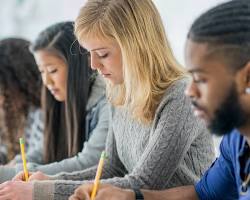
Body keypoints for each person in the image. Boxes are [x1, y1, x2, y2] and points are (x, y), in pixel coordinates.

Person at [0, 0, 215, 199]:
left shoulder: (181, 96)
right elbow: (112, 167)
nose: (93, 65)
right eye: (89, 53)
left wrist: (43, 191)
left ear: (136, 46)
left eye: (102, 54)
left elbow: (146, 182)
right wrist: (51, 180)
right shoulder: (118, 92)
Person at [68, 0, 250, 199]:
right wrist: (132, 197)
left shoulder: (177, 96)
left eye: (200, 79)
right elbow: (203, 193)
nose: (190, 90)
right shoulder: (235, 141)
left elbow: (145, 181)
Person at [0, 22, 109, 182]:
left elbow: (89, 163)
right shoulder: (61, 99)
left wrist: (12, 173)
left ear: (78, 65)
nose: (47, 81)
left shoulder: (106, 104)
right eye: (42, 72)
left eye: (52, 71)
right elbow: (45, 150)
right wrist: (16, 164)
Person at [0, 38, 42, 165]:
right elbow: (5, 151)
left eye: (5, 91)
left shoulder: (42, 113)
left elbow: (40, 155)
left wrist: (7, 169)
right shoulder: (10, 113)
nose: (2, 101)